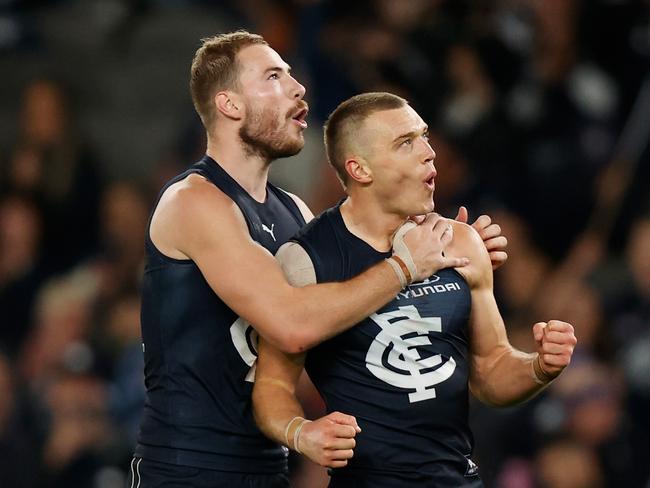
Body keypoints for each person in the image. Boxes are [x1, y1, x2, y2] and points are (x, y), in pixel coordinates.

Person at [131, 32, 508, 487]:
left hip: (268, 462)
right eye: (273, 76)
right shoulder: (193, 201)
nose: (297, 87)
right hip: (190, 467)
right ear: (229, 105)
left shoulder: (294, 213)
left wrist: (455, 256)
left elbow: (343, 318)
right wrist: (408, 266)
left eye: (292, 73)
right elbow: (292, 326)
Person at [252, 92, 577, 487]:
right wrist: (303, 433)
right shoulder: (307, 260)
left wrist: (539, 366)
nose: (429, 152)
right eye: (406, 143)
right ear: (360, 169)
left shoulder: (460, 241)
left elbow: (491, 371)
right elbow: (272, 386)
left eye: (424, 136)